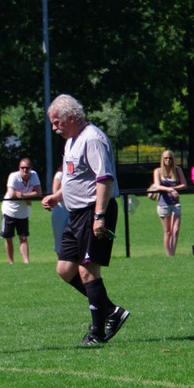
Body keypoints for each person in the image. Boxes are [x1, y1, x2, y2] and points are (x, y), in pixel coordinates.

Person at [41, 94, 130, 347]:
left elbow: (104, 178)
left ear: (71, 117)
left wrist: (99, 216)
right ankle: (111, 311)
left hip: (94, 211)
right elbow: (76, 178)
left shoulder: (92, 138)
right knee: (65, 269)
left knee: (87, 270)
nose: (54, 128)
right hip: (76, 214)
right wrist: (58, 196)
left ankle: (97, 333)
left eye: (57, 122)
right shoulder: (72, 140)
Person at [0, 157, 42, 264]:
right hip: (9, 211)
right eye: (22, 168)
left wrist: (23, 195)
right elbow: (11, 194)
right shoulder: (13, 176)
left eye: (27, 168)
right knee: (8, 238)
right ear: (19, 168)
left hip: (23, 213)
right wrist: (27, 197)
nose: (24, 170)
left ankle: (26, 262)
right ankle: (11, 262)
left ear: (31, 168)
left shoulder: (34, 175)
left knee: (23, 238)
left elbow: (39, 193)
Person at [151, 150, 187, 256]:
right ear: (162, 159)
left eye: (170, 158)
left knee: (175, 230)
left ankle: (173, 254)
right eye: (166, 158)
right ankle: (169, 255)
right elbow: (157, 186)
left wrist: (174, 188)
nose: (168, 160)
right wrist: (170, 189)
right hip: (163, 204)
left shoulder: (177, 170)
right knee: (168, 231)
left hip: (175, 204)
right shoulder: (158, 171)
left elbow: (184, 184)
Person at [49, 168, 68, 255]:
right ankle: (61, 259)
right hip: (60, 210)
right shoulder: (60, 174)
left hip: (70, 210)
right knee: (60, 239)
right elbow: (55, 193)